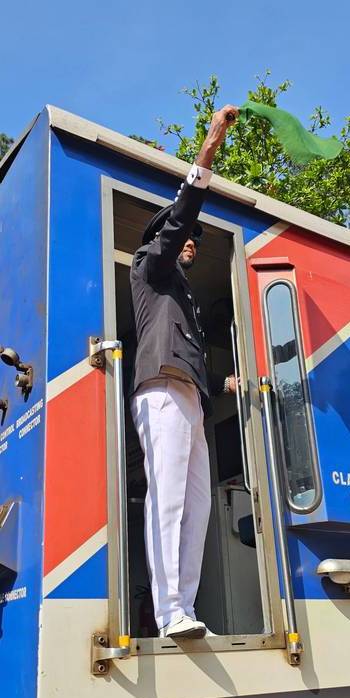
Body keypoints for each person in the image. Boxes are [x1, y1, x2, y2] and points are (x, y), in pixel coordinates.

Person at [129, 104, 239, 639]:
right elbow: (176, 220)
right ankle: (167, 610)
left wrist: (225, 385)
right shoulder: (150, 265)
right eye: (182, 233)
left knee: (198, 507)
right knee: (168, 498)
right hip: (161, 393)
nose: (188, 238)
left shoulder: (184, 297)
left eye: (194, 235)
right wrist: (208, 150)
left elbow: (192, 358)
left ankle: (184, 611)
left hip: (190, 398)